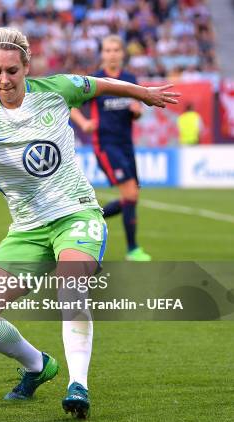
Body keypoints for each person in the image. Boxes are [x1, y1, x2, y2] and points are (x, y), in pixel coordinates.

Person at [0, 27, 179, 419]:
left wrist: (143, 92)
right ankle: (38, 366)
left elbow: (100, 84)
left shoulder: (56, 89)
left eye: (12, 71)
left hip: (76, 215)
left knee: (70, 284)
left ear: (26, 67)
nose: (4, 80)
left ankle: (77, 384)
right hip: (28, 231)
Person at [70, 34, 151, 261]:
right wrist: (84, 123)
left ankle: (90, 220)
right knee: (130, 193)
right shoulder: (95, 81)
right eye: (107, 50)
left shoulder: (129, 79)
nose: (112, 54)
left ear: (122, 53)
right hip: (105, 145)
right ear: (102, 54)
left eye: (116, 49)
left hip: (126, 145)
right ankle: (133, 250)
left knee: (131, 196)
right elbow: (71, 105)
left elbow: (137, 107)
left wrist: (137, 111)